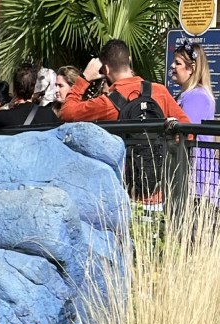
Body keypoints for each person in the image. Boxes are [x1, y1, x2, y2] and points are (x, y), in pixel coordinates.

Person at [61, 39, 190, 203]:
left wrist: (84, 78)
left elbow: (66, 112)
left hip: (125, 193)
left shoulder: (107, 103)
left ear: (106, 69)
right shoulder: (159, 91)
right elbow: (186, 128)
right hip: (161, 190)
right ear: (128, 62)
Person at [171, 40, 217, 203]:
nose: (172, 66)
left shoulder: (197, 97)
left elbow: (185, 133)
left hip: (196, 181)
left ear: (192, 68)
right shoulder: (187, 95)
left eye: (178, 63)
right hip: (190, 177)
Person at [0, 64, 58, 130]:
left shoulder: (1, 117)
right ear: (34, 88)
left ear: (14, 89)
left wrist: (8, 106)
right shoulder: (49, 115)